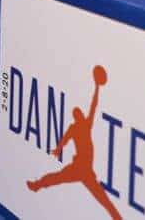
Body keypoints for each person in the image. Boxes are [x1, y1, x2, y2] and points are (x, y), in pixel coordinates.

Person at [26, 68, 121, 219]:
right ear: (76, 117)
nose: (80, 115)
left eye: (80, 113)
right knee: (56, 178)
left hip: (86, 170)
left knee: (102, 197)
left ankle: (117, 217)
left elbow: (93, 106)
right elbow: (65, 139)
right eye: (78, 114)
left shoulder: (85, 125)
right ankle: (37, 185)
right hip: (78, 167)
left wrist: (96, 88)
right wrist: (58, 149)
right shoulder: (76, 127)